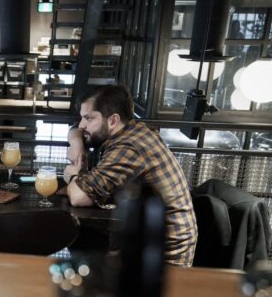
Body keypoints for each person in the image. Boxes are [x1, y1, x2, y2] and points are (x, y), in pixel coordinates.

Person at [63, 84, 197, 266]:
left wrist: (73, 176)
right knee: (84, 243)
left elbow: (79, 197)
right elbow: (75, 129)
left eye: (88, 118)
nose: (82, 125)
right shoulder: (136, 130)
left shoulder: (129, 147)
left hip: (164, 257)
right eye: (82, 118)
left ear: (113, 121)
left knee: (83, 246)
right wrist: (76, 142)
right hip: (147, 238)